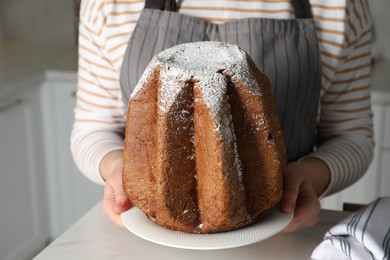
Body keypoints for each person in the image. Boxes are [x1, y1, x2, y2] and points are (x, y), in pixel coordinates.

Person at [71, 0, 374, 232]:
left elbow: (352, 136)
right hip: (149, 239)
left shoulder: (340, 5)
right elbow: (92, 128)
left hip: (281, 234)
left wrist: (310, 175)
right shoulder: (109, 4)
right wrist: (117, 169)